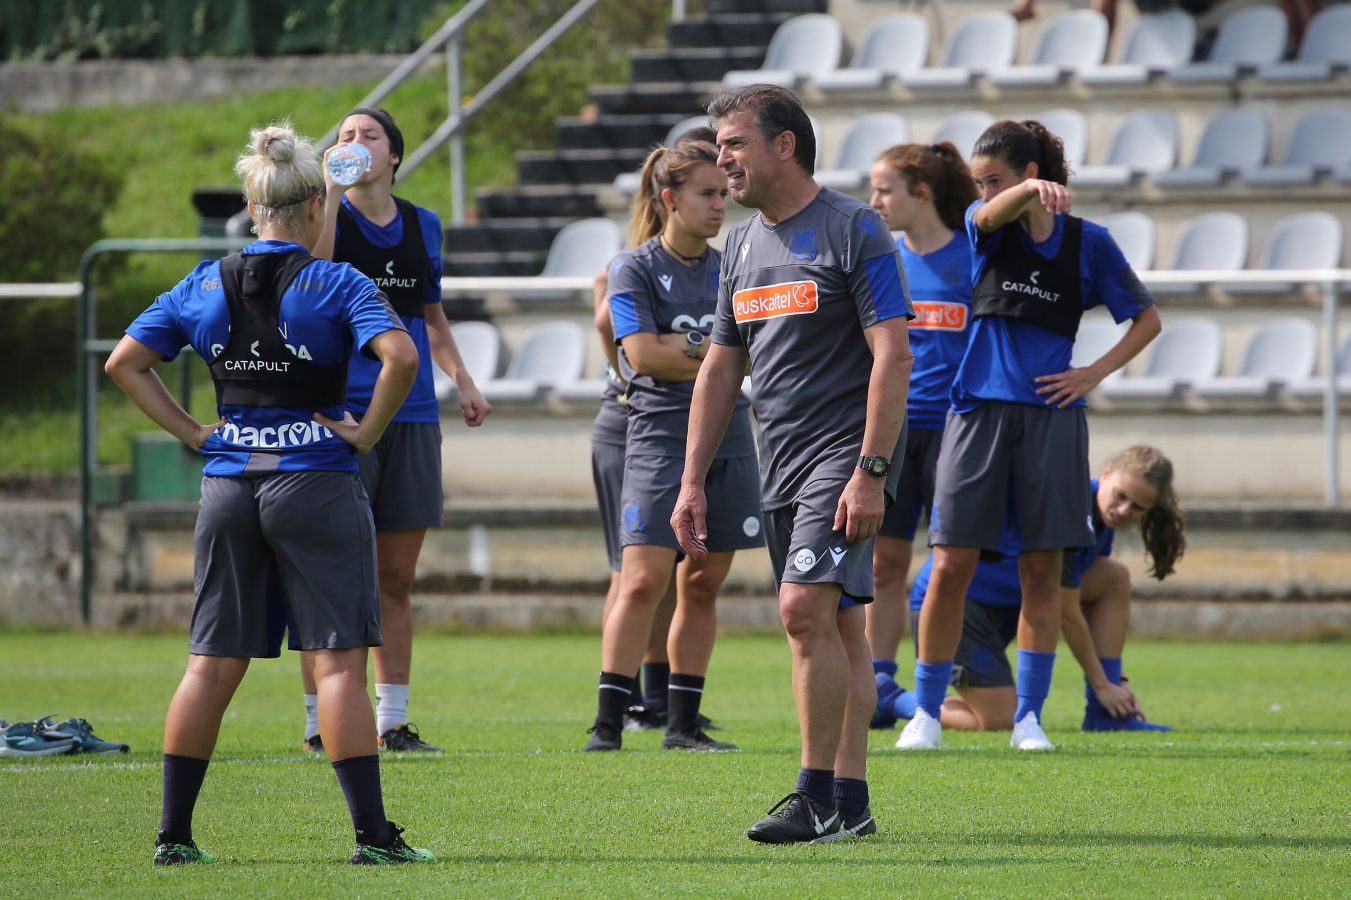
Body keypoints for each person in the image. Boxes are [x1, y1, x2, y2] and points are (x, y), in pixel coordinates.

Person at [105, 121, 433, 865]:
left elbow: (125, 363)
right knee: (342, 662)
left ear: (255, 210)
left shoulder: (204, 281)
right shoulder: (338, 281)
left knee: (209, 665)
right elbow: (402, 357)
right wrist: (366, 433)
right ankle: (373, 838)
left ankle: (174, 837)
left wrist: (194, 433)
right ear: (318, 206)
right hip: (314, 480)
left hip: (228, 486)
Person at [673, 84, 914, 843]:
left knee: (802, 610)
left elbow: (893, 355)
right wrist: (690, 481)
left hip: (842, 455)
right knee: (836, 622)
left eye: (735, 144)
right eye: (718, 148)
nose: (723, 160)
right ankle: (850, 802)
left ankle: (809, 796)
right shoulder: (740, 246)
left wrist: (870, 469)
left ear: (784, 145)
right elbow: (718, 369)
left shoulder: (853, 228)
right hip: (775, 458)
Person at [898, 119, 1162, 754]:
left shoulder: (1088, 244)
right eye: (980, 181)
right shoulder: (982, 227)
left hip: (1052, 420)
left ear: (1029, 173)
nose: (982, 192)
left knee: (1044, 571)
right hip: (978, 415)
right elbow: (987, 218)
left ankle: (1028, 720)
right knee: (949, 565)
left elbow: (1146, 319)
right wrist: (1019, 193)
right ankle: (926, 713)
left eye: (996, 179)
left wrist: (1093, 372)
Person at [293, 106, 492, 754]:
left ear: (395, 155)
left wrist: (461, 378)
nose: (353, 143)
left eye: (367, 136)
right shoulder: (328, 218)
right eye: (344, 135)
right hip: (337, 412)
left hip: (408, 413)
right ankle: (320, 723)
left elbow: (428, 312)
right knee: (328, 577)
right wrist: (326, 193)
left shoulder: (422, 223)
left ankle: (392, 720)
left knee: (396, 579)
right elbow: (309, 279)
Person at [584, 133, 763, 754]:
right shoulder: (634, 266)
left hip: (729, 433)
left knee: (704, 584)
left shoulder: (732, 264)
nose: (721, 205)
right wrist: (715, 355)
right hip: (659, 432)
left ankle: (683, 726)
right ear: (670, 198)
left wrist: (691, 352)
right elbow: (641, 356)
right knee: (641, 579)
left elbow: (746, 360)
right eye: (707, 194)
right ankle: (609, 722)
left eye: (723, 193)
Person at [907, 445, 1185, 733]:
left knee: (1112, 576)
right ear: (1105, 474)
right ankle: (894, 700)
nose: (1124, 510)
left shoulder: (1101, 521)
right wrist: (1102, 684)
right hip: (961, 607)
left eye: (1138, 507)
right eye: (1121, 495)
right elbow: (1066, 611)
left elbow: (1079, 599)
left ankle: (1104, 715)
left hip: (1007, 605)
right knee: (999, 720)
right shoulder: (1070, 511)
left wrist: (1116, 683)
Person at [864, 142, 979, 730]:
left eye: (884, 189)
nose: (874, 201)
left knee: (950, 562)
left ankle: (939, 683)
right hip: (898, 430)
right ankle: (878, 682)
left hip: (959, 431)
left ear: (922, 192)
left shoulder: (973, 256)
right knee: (884, 562)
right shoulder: (885, 260)